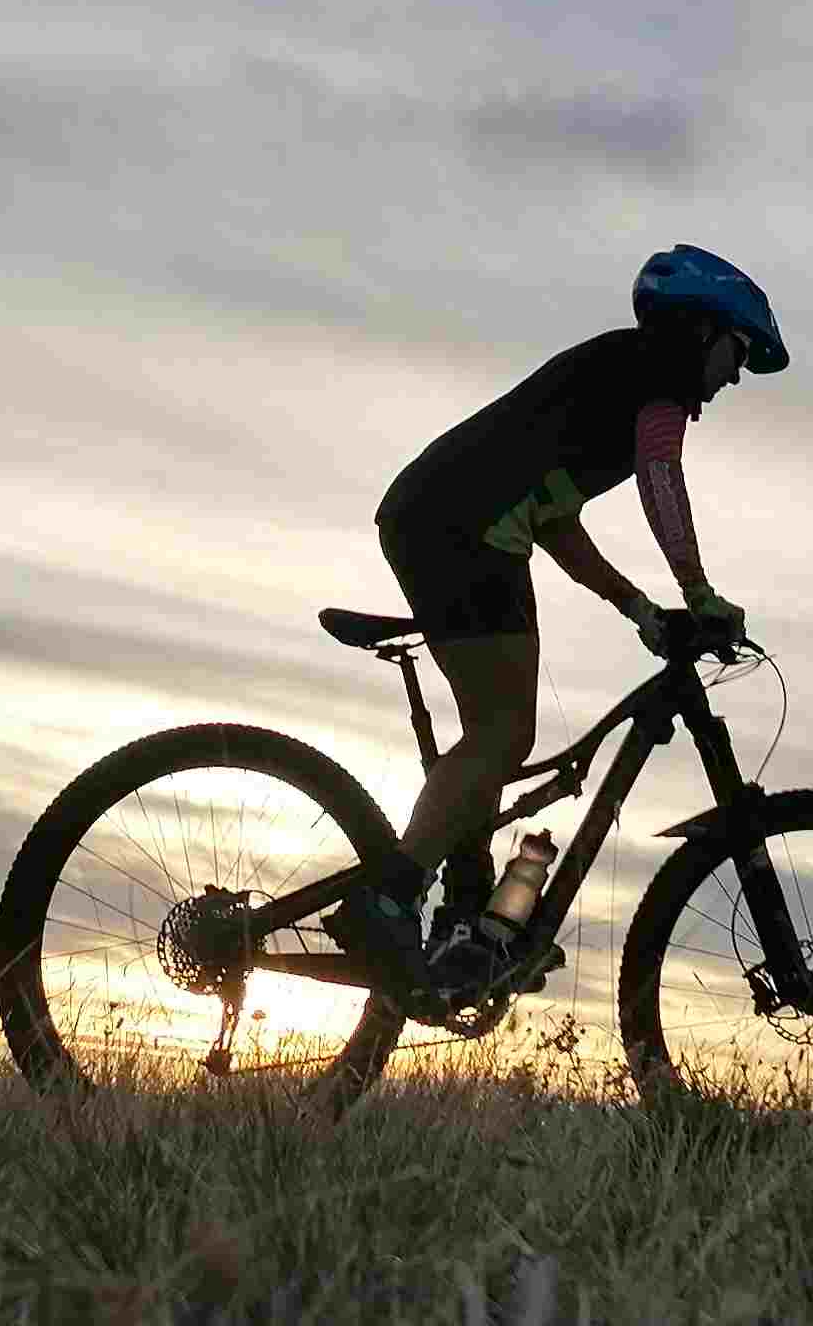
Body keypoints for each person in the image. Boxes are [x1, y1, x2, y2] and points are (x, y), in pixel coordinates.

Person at [332, 245, 785, 1000]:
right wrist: (699, 591)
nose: (734, 376)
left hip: (444, 518)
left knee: (494, 738)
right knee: (505, 735)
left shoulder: (606, 379)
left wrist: (638, 608)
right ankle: (389, 897)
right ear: (701, 332)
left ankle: (460, 923)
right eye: (737, 353)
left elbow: (553, 520)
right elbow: (662, 477)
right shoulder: (656, 374)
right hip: (462, 529)